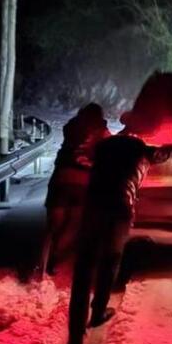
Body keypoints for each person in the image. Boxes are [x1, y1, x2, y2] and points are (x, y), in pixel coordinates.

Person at [65, 130, 172, 344]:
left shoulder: (103, 147)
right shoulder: (140, 149)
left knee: (83, 270)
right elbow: (165, 154)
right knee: (110, 261)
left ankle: (75, 339)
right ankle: (98, 311)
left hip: (93, 207)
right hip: (119, 207)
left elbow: (82, 157)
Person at [36, 103, 110, 280]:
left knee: (52, 226)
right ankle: (57, 263)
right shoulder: (102, 132)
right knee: (72, 225)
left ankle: (40, 267)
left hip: (60, 180)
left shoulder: (70, 128)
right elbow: (111, 149)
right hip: (82, 183)